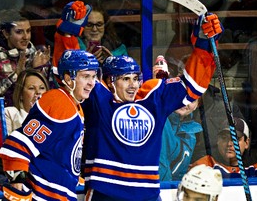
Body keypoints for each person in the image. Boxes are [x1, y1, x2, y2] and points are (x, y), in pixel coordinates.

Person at [81, 13, 223, 200]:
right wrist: (67, 34)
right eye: (125, 79)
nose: (133, 85)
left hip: (147, 195)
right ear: (108, 81)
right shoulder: (98, 100)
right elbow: (70, 75)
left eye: (136, 78)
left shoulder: (152, 99)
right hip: (106, 195)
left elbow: (192, 86)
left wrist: (203, 46)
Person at [0, 49, 99, 200]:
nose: (91, 83)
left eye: (93, 76)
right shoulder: (58, 102)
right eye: (85, 77)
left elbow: (60, 153)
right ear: (68, 78)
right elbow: (20, 143)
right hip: (41, 194)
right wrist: (17, 180)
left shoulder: (74, 106)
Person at [0, 9, 51, 111]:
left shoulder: (35, 55)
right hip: (4, 116)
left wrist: (39, 69)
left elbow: (47, 92)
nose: (26, 37)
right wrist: (15, 76)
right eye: (19, 32)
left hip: (35, 114)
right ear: (6, 34)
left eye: (28, 31)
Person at [153, 56, 203, 181]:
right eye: (182, 94)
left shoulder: (193, 134)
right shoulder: (158, 115)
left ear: (198, 105)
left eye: (192, 99)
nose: (185, 102)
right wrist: (155, 86)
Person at [190, 117, 257, 178]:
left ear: (246, 143)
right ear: (218, 141)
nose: (229, 143)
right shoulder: (204, 165)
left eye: (236, 139)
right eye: (224, 138)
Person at [5, 69, 50, 134]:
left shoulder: (56, 118)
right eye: (31, 88)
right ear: (21, 94)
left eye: (42, 88)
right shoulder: (9, 114)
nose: (38, 92)